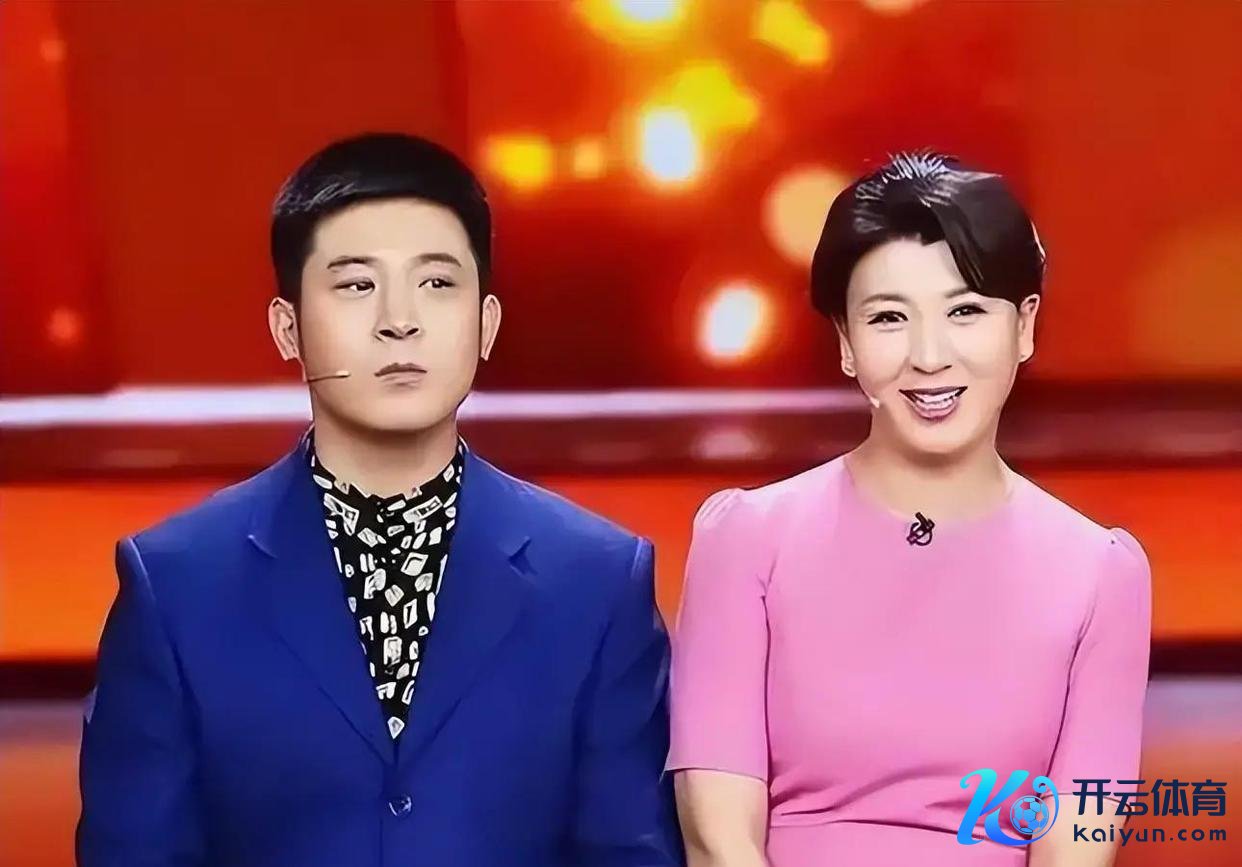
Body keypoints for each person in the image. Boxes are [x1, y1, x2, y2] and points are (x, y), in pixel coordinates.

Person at [77, 132, 683, 867]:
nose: (401, 320)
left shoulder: (597, 579)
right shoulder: (176, 582)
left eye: (437, 283)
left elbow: (627, 849)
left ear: (487, 324)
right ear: (288, 328)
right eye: (357, 285)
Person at [666, 152, 1151, 866]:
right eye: (889, 317)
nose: (929, 356)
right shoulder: (746, 539)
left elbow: (1076, 848)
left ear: (1024, 326)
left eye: (965, 311)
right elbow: (718, 840)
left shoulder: (1101, 572)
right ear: (845, 342)